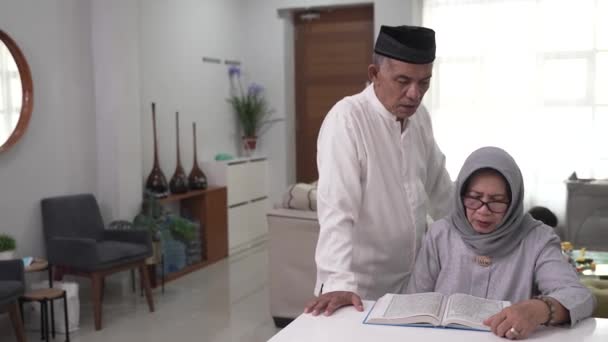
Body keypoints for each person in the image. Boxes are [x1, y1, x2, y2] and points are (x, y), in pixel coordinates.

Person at [304, 25, 454, 316]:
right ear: (374, 74)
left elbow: (441, 188)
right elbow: (337, 209)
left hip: (415, 280)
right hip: (359, 290)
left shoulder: (419, 117)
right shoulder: (347, 119)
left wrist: (473, 241)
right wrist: (337, 281)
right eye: (403, 81)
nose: (414, 94)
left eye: (424, 83)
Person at [407, 146, 595, 340]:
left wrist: (540, 309)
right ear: (460, 195)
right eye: (474, 198)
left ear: (513, 202)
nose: (483, 210)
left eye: (497, 201)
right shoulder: (440, 234)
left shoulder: (538, 239)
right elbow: (412, 302)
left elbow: (579, 296)